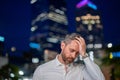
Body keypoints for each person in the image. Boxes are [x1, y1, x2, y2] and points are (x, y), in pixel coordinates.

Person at [33, 33, 105, 80]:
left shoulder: (81, 70)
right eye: (72, 50)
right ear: (62, 45)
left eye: (77, 53)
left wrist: (84, 54)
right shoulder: (42, 70)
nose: (74, 56)